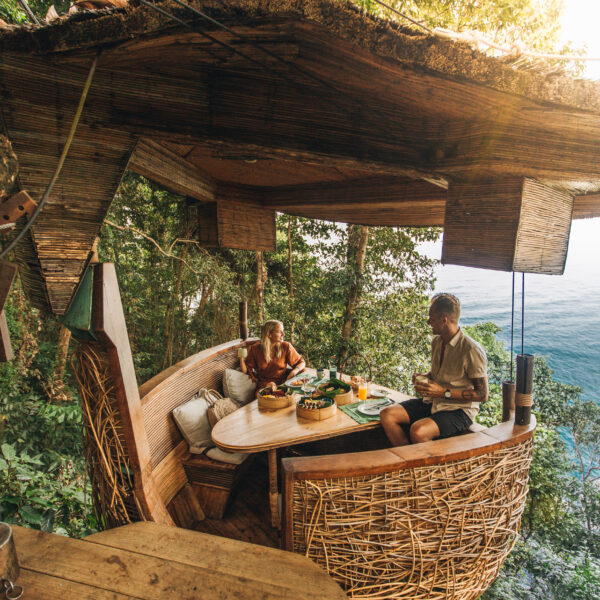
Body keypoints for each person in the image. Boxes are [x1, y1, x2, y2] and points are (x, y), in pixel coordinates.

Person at [380, 293, 488, 446]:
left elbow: (483, 394)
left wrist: (443, 392)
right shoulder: (437, 342)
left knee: (418, 431)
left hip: (459, 411)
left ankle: (416, 465)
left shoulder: (470, 350)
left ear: (444, 320)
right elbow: (440, 374)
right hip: (435, 402)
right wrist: (425, 377)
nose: (428, 321)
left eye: (432, 318)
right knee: (387, 415)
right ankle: (409, 460)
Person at [240, 320, 306, 392]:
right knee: (265, 398)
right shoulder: (255, 348)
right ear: (269, 334)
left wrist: (294, 372)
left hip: (284, 384)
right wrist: (242, 358)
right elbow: (248, 370)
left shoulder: (285, 346)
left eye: (283, 331)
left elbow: (301, 362)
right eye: (279, 332)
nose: (283, 334)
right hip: (264, 386)